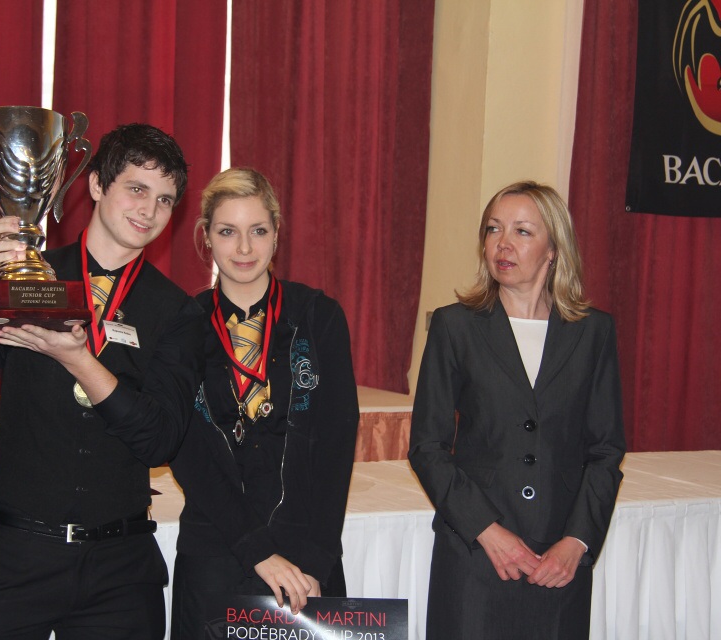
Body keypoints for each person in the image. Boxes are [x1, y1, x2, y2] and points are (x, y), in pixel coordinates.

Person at [0, 123, 203, 639]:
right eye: (137, 189)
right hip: (13, 558)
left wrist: (79, 360)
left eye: (165, 200)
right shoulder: (31, 275)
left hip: (121, 570)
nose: (149, 210)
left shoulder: (176, 311)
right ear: (96, 184)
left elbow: (159, 440)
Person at [408, 181, 626, 640]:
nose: (502, 243)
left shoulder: (593, 332)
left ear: (554, 249)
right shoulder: (455, 326)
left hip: (559, 561)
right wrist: (487, 531)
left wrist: (577, 542)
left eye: (522, 231)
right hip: (475, 554)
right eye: (493, 229)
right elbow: (427, 447)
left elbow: (606, 451)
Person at [168, 168, 359, 638]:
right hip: (214, 551)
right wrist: (256, 551)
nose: (244, 248)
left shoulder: (318, 316)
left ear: (276, 234)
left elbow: (336, 445)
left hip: (304, 557)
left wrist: (315, 560)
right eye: (227, 232)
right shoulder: (183, 324)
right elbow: (188, 453)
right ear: (206, 236)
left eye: (257, 231)